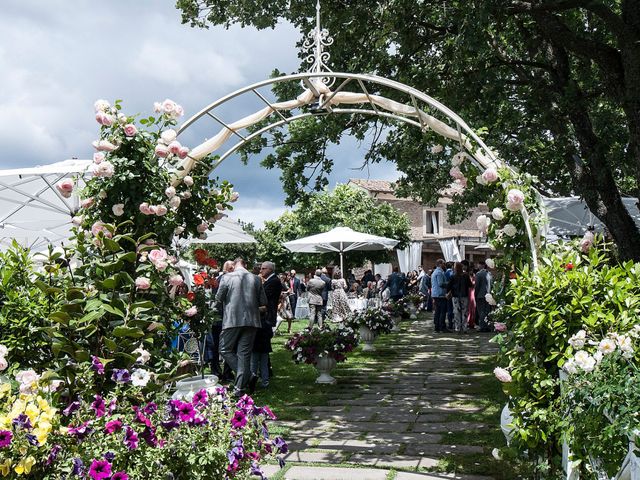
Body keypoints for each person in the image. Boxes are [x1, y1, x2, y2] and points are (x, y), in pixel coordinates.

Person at [216, 257, 267, 396]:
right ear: (246, 265)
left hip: (232, 319)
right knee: (243, 354)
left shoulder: (227, 277)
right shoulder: (256, 279)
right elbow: (263, 301)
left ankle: (247, 377)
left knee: (224, 349)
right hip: (252, 320)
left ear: (233, 265)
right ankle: (240, 388)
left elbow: (218, 299)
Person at [251, 261, 282, 388]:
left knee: (262, 348)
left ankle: (263, 375)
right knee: (263, 350)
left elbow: (263, 297)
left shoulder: (273, 281)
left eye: (263, 268)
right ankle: (266, 373)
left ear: (270, 269)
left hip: (267, 317)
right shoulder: (269, 280)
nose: (261, 271)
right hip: (265, 317)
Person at [207, 260, 234, 381]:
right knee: (228, 345)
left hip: (218, 317)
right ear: (229, 269)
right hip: (224, 317)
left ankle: (216, 370)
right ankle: (226, 372)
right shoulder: (225, 280)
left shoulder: (217, 280)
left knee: (216, 345)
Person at [447, 262, 473, 333]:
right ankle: (464, 328)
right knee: (464, 312)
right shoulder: (466, 275)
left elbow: (449, 286)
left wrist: (448, 291)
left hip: (455, 296)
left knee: (456, 312)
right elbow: (470, 285)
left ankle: (457, 328)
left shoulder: (453, 276)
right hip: (464, 296)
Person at [431, 259, 449, 333]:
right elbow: (441, 283)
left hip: (436, 294)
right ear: (441, 264)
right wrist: (449, 283)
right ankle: (442, 327)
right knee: (442, 311)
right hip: (440, 294)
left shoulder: (435, 272)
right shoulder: (439, 272)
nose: (445, 265)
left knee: (437, 311)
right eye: (444, 264)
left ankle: (437, 326)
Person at [474, 260, 493, 332]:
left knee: (481, 311)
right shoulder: (489, 274)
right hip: (489, 295)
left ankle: (482, 327)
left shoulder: (478, 274)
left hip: (480, 295)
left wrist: (475, 294)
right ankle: (487, 326)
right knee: (487, 311)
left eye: (478, 265)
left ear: (481, 265)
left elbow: (477, 286)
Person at [444, 262, 455, 330]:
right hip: (452, 292)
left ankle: (450, 323)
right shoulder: (452, 273)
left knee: (449, 309)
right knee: (452, 309)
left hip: (447, 292)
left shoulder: (445, 273)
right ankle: (452, 323)